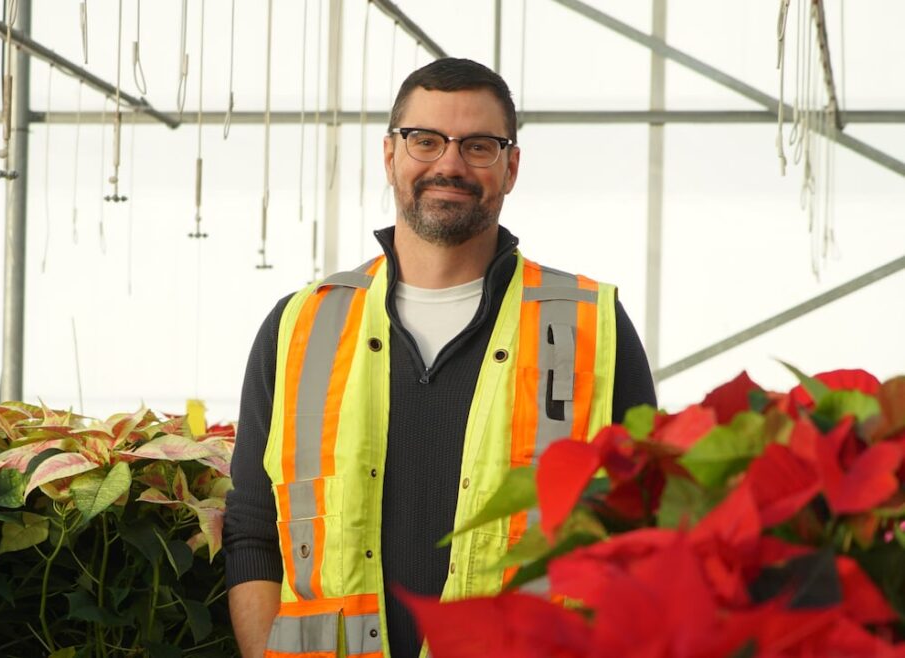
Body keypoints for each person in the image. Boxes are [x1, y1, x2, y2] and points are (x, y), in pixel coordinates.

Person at [223, 57, 656, 658]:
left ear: (511, 167)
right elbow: (253, 529)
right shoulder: (301, 325)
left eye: (478, 146)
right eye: (425, 140)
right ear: (389, 155)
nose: (449, 164)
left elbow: (640, 537)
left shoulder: (590, 326)